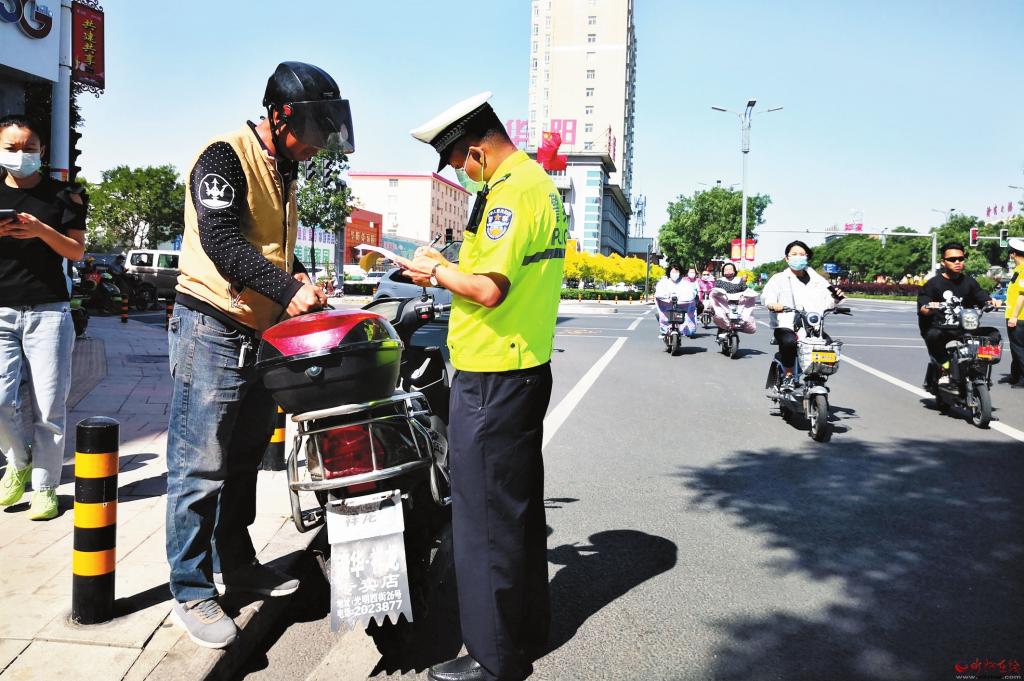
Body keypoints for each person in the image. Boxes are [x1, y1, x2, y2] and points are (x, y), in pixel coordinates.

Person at [165, 61, 350, 649]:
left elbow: (269, 246)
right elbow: (221, 242)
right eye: (311, 134)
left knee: (243, 458)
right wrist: (287, 289)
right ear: (279, 116)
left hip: (258, 333)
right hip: (210, 327)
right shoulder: (224, 156)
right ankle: (191, 588)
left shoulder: (284, 169)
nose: (316, 147)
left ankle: (238, 565)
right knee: (199, 466)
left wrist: (299, 276)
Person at [402, 91, 567, 681]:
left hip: (493, 376)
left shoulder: (510, 193)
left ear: (476, 151)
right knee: (516, 510)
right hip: (520, 367)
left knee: (483, 520)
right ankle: (525, 630)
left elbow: (489, 289)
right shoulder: (536, 185)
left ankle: (493, 659)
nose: (460, 175)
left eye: (457, 163)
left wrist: (434, 270)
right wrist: (443, 268)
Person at [0, 114, 87, 520]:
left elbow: (76, 251)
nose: (21, 155)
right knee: (1, 399)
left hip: (49, 311)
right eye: (11, 148)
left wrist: (40, 231)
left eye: (29, 148)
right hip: (1, 310)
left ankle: (45, 487)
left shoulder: (65, 195)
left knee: (49, 406)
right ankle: (18, 461)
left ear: (42, 151)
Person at [917, 242, 1002, 386]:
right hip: (942, 328)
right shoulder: (932, 284)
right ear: (943, 262)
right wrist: (930, 307)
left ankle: (979, 368)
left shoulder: (970, 282)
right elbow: (923, 307)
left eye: (960, 259)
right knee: (933, 335)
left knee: (993, 334)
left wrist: (992, 302)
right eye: (952, 259)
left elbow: (982, 298)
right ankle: (944, 368)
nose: (957, 262)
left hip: (966, 328)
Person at [761, 241, 842, 389]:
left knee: (828, 345)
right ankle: (789, 375)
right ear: (787, 258)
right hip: (786, 324)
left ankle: (817, 376)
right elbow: (768, 296)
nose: (798, 257)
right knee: (789, 342)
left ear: (807, 257)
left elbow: (828, 302)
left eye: (802, 254)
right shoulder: (779, 278)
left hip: (812, 326)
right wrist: (772, 304)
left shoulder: (818, 280)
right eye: (794, 254)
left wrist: (836, 298)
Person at [1001, 238, 1024, 387]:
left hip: (1019, 317)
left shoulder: (1023, 271)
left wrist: (1014, 316)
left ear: (1013, 254)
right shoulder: (1018, 270)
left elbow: (1022, 295)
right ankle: (1015, 375)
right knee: (1016, 348)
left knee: (1018, 348)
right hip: (1016, 315)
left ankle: (1022, 379)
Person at [654, 264, 698, 337]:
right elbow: (659, 292)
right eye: (673, 272)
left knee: (689, 329)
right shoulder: (663, 283)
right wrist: (667, 297)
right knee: (664, 319)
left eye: (677, 272)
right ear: (669, 272)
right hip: (667, 306)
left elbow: (691, 293)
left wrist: (683, 297)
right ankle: (664, 329)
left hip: (682, 306)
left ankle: (685, 329)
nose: (675, 274)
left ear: (680, 272)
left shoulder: (686, 283)